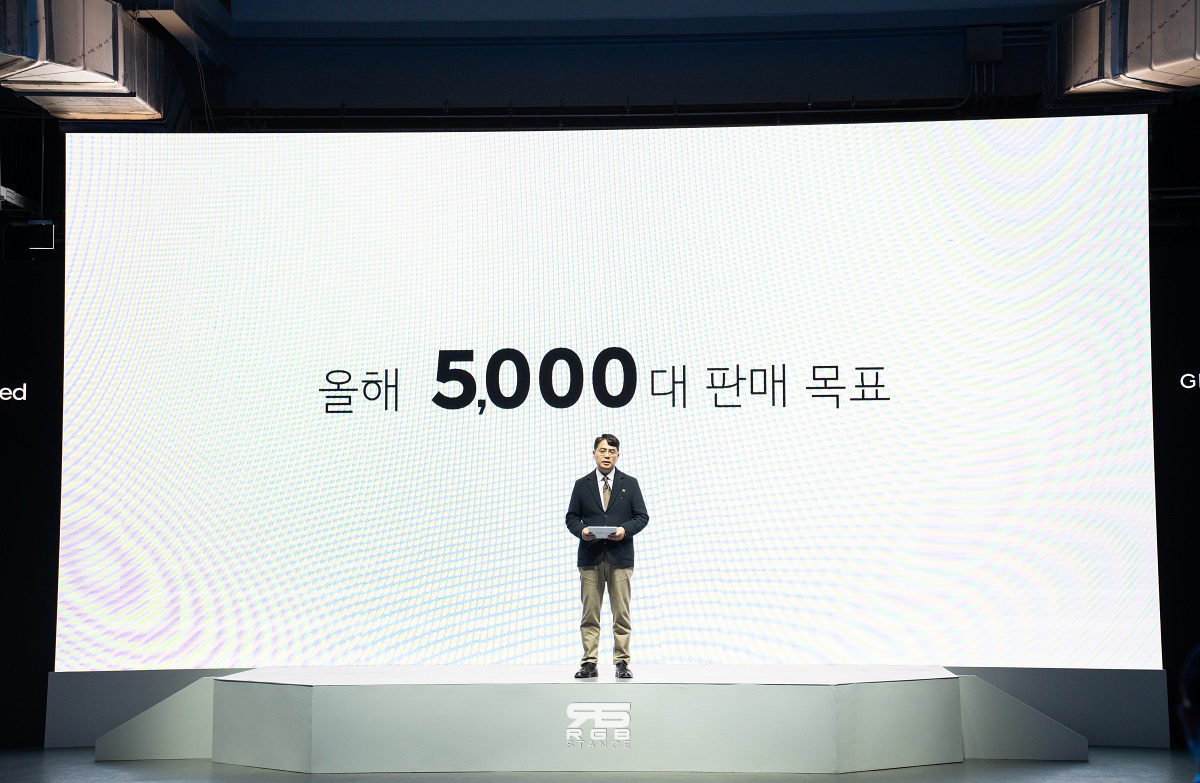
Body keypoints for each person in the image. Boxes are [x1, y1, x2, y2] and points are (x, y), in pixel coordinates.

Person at [565, 434, 649, 679]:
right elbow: (571, 517)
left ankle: (621, 662)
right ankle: (589, 662)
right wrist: (582, 531)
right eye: (602, 451)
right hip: (590, 557)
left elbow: (641, 517)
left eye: (612, 452)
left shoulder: (629, 483)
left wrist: (624, 530)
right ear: (594, 453)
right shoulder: (582, 484)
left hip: (620, 557)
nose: (606, 455)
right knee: (590, 613)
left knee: (621, 613)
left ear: (618, 455)